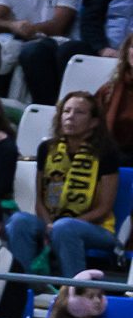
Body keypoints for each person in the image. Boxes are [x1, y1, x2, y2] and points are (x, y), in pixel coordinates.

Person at [6, 90, 121, 274]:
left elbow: (104, 208)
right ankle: (21, 288)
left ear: (94, 122)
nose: (70, 117)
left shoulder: (106, 153)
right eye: (66, 111)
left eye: (79, 112)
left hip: (96, 228)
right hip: (52, 222)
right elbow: (40, 200)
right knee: (19, 221)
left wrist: (63, 224)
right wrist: (49, 224)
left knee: (65, 227)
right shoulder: (47, 148)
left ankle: (74, 292)